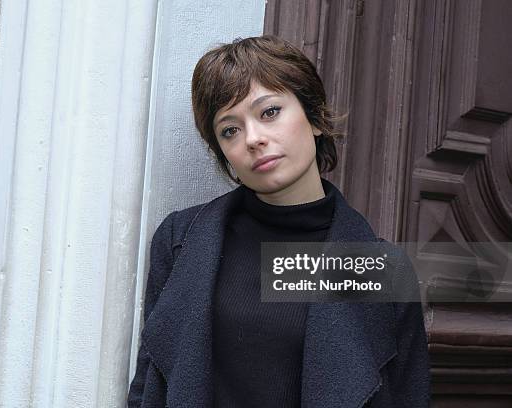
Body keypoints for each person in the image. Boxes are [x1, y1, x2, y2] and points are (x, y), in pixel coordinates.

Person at [128, 35, 430, 408]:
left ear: (315, 117)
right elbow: (148, 388)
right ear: (224, 155)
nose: (253, 139)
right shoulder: (181, 241)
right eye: (230, 130)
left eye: (269, 112)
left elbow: (409, 397)